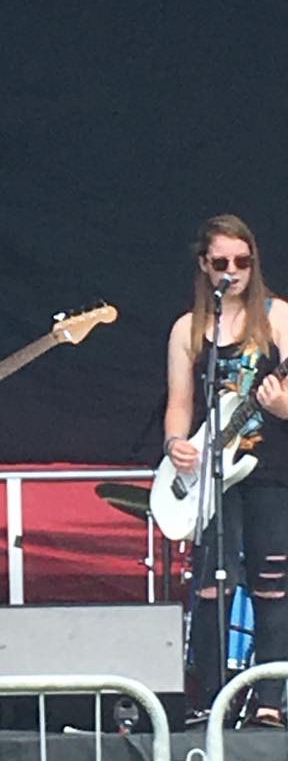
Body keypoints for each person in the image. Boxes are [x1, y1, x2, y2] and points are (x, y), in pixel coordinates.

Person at [163, 214, 288, 725]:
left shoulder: (278, 317)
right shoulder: (189, 328)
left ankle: (270, 702)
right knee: (214, 584)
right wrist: (175, 443)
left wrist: (281, 407)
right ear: (204, 266)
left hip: (270, 470)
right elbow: (179, 402)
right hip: (211, 473)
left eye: (243, 261)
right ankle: (215, 700)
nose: (232, 271)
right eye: (221, 263)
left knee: (272, 585)